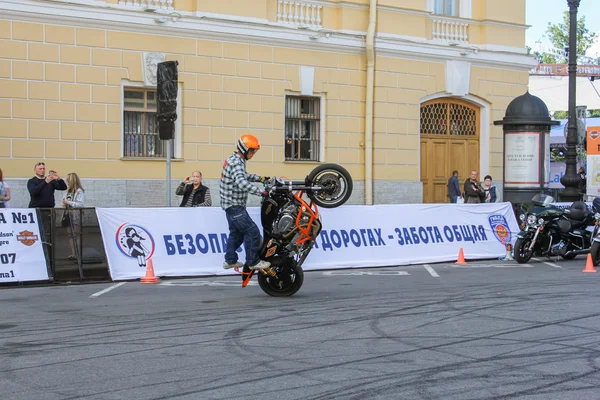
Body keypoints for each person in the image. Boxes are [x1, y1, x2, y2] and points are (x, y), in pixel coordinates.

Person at [220, 134, 271, 271]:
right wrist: (262, 192)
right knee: (252, 231)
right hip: (235, 205)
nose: (253, 154)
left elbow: (243, 175)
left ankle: (230, 260)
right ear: (244, 149)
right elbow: (242, 182)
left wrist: (259, 178)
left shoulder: (236, 160)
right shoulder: (236, 162)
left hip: (229, 205)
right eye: (252, 150)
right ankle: (253, 261)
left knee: (236, 234)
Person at [62, 173, 85, 260]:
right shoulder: (67, 191)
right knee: (70, 235)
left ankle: (78, 254)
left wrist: (68, 203)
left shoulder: (79, 191)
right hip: (68, 214)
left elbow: (80, 204)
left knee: (76, 235)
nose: (67, 182)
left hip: (76, 214)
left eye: (68, 180)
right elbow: (65, 201)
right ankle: (73, 253)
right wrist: (64, 204)